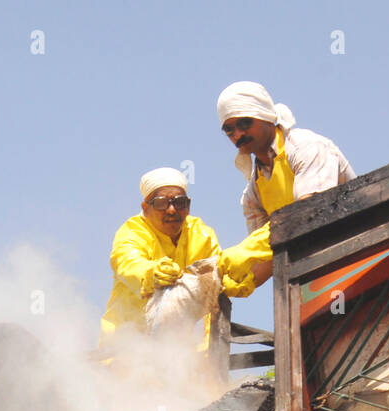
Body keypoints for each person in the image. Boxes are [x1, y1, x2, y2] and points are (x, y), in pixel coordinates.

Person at [215, 81, 355, 296]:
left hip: (356, 262)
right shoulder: (253, 194)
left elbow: (311, 211)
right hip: (311, 286)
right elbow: (268, 256)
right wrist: (243, 280)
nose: (238, 134)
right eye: (229, 129)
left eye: (244, 123)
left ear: (265, 116)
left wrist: (249, 249)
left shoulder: (306, 147)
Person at [101, 167, 242, 352]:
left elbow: (215, 291)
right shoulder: (132, 231)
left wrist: (209, 348)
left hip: (174, 352)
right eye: (161, 203)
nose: (171, 210)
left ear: (188, 205)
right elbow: (127, 262)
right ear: (145, 208)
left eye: (180, 202)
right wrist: (151, 273)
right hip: (124, 348)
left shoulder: (202, 235)